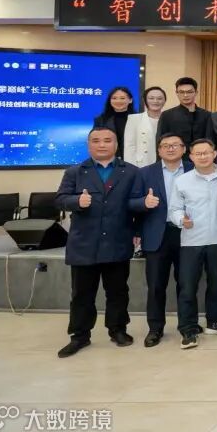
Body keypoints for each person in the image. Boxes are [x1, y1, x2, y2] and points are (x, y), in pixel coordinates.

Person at [55, 127, 147, 358]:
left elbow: (136, 204)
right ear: (88, 145)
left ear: (116, 144)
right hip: (84, 244)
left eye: (107, 140)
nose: (102, 145)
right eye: (96, 141)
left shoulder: (131, 172)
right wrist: (77, 201)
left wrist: (139, 228)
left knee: (118, 291)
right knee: (81, 294)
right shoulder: (75, 172)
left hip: (117, 240)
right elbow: (60, 199)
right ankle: (79, 335)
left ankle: (118, 330)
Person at [168, 138, 217, 349]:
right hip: (191, 241)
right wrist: (181, 220)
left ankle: (214, 321)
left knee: (216, 283)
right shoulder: (183, 181)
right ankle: (188, 328)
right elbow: (174, 209)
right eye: (198, 153)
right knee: (187, 286)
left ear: (215, 154)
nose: (203, 156)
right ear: (191, 156)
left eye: (207, 152)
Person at [135, 133, 191, 347]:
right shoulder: (144, 173)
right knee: (156, 286)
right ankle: (155, 328)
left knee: (186, 284)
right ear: (158, 150)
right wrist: (143, 202)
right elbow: (131, 203)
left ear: (184, 149)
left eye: (175, 145)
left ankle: (187, 327)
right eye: (165, 145)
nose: (170, 148)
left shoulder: (194, 169)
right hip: (156, 235)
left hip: (187, 233)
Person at [158, 77, 211, 148]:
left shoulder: (207, 115)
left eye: (189, 92)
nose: (185, 95)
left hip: (201, 154)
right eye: (181, 92)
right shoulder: (167, 115)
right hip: (175, 154)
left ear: (196, 92)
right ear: (177, 93)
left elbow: (210, 140)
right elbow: (160, 142)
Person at [124, 86, 167, 167]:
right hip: (141, 163)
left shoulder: (169, 118)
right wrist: (131, 168)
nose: (155, 101)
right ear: (145, 100)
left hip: (165, 163)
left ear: (164, 101)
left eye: (159, 98)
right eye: (151, 98)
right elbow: (129, 146)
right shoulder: (134, 119)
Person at [93, 86, 135, 157]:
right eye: (114, 98)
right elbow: (95, 140)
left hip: (133, 159)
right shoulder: (101, 120)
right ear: (110, 101)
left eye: (122, 98)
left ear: (130, 100)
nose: (118, 101)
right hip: (109, 158)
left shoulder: (138, 118)